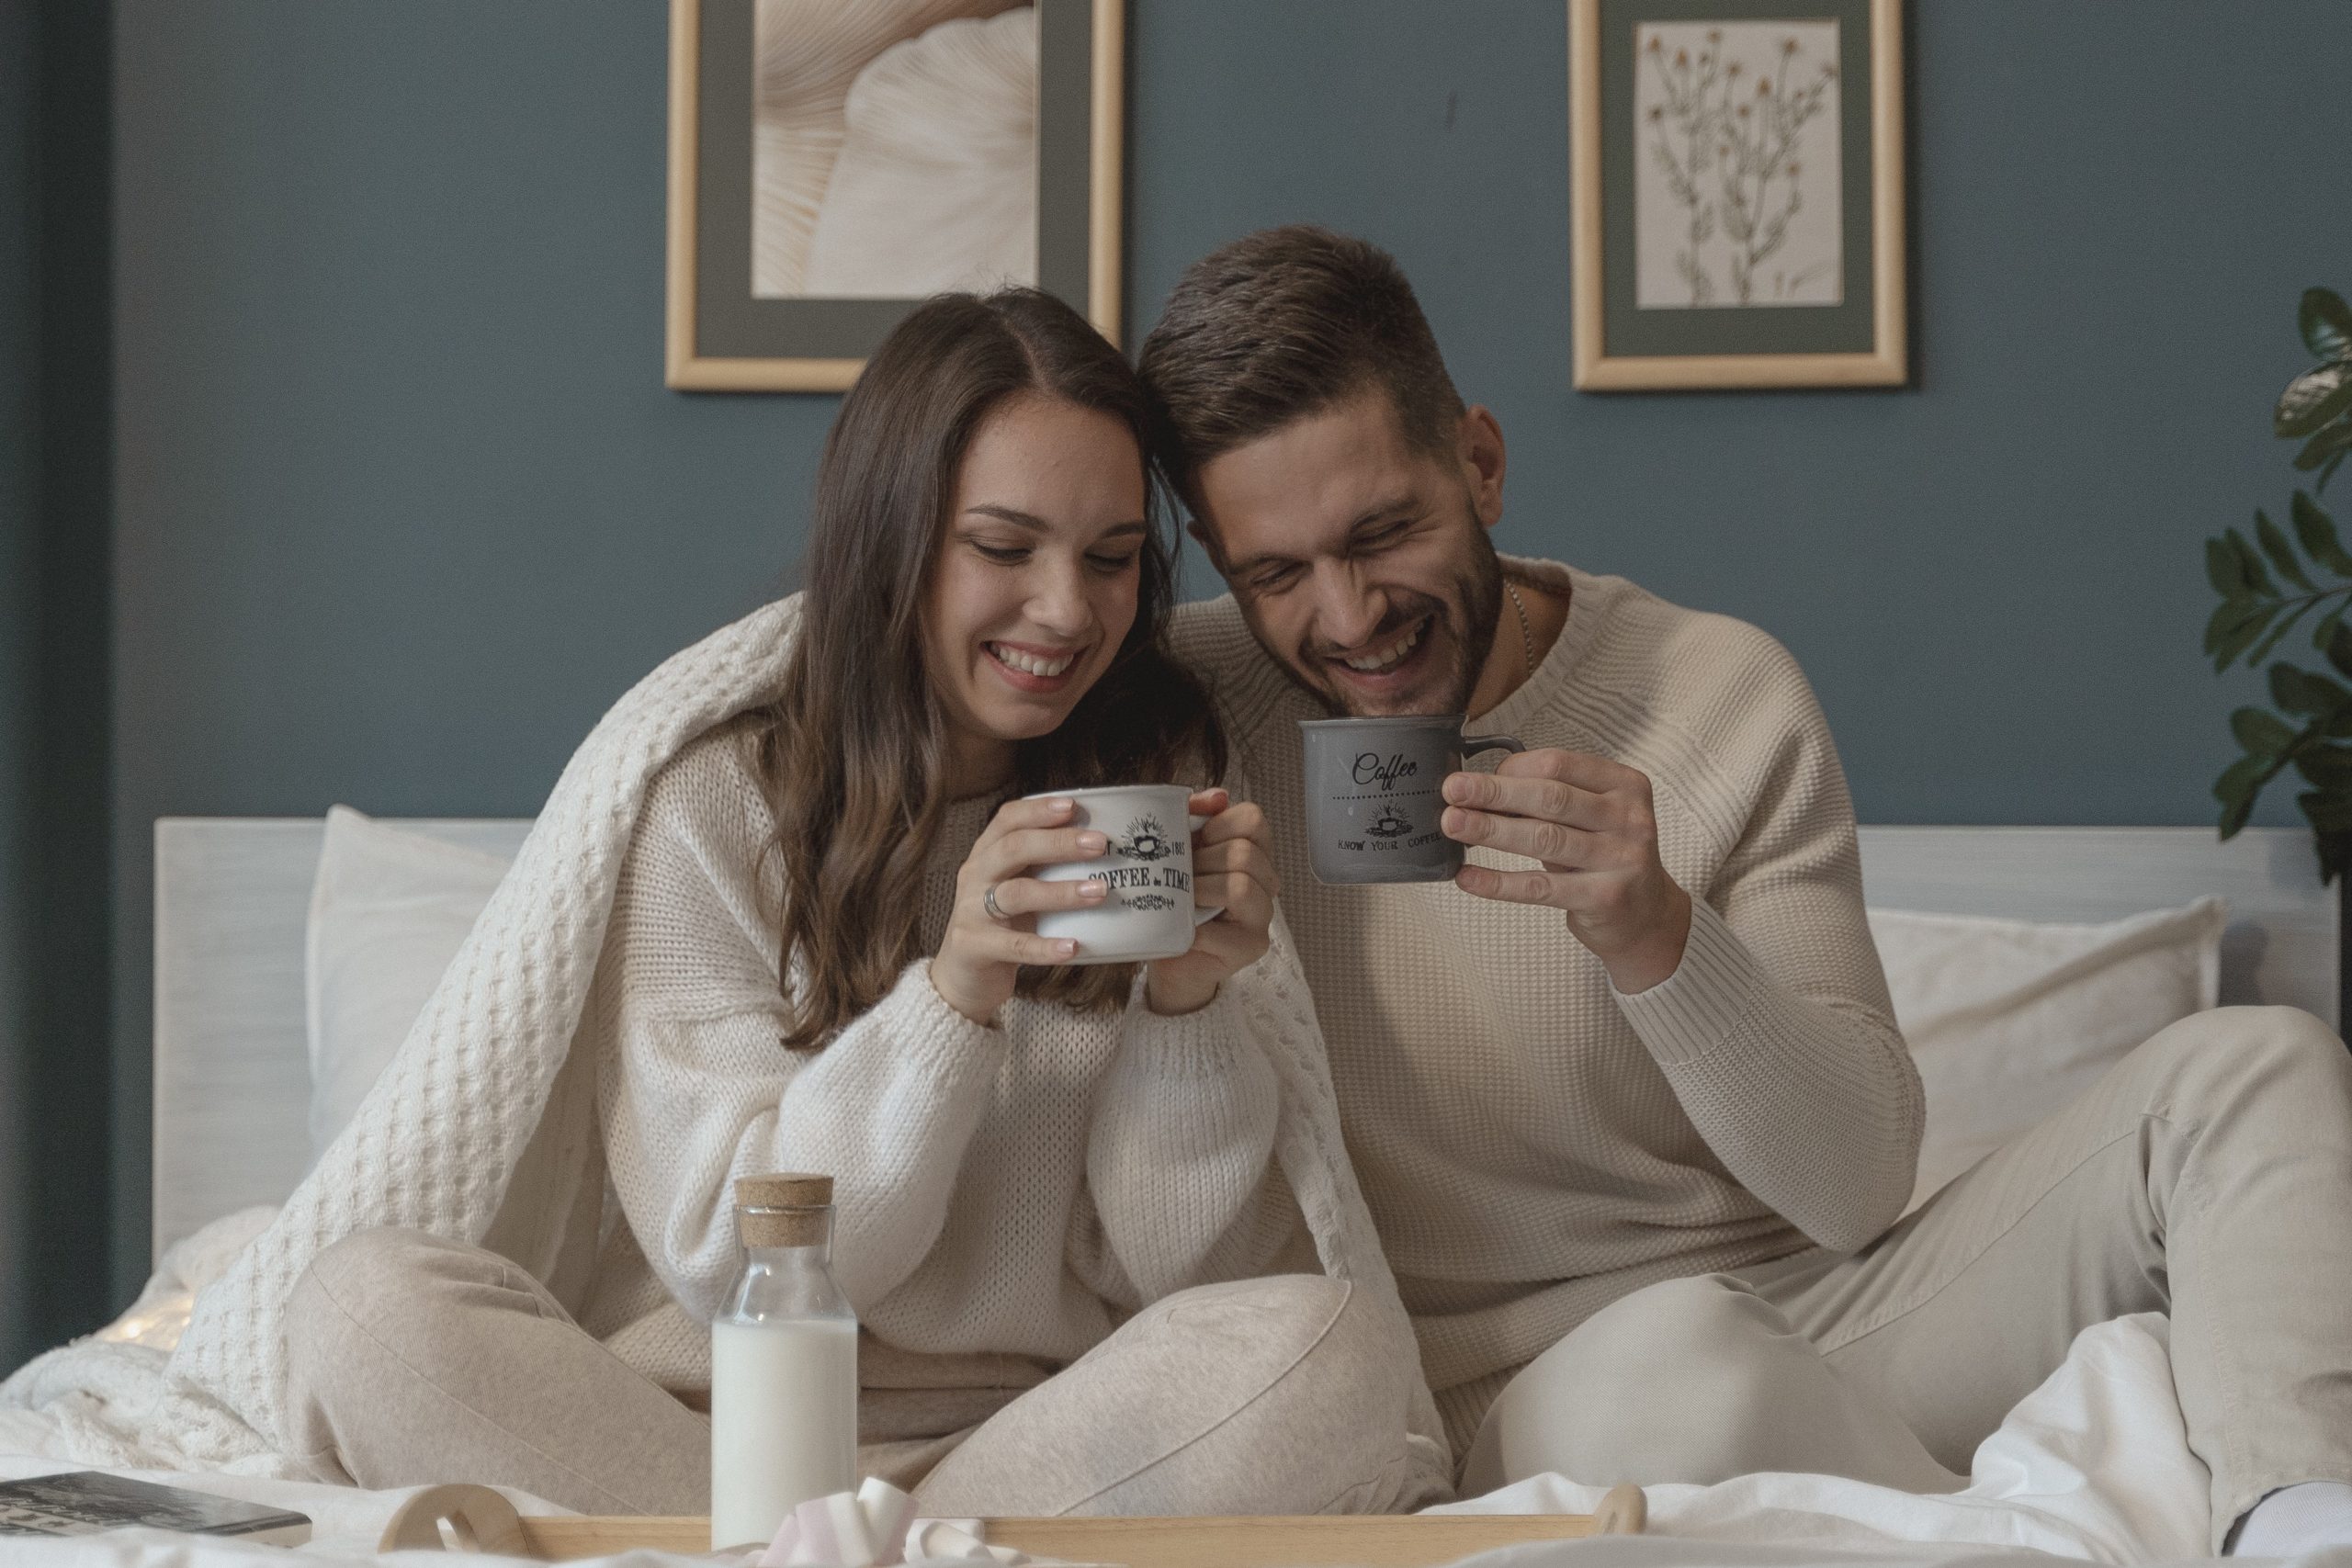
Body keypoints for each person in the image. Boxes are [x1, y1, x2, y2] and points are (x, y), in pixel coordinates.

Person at [1137, 225, 2352, 1556]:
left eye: (1384, 533)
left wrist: (1657, 933)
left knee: (2263, 1070)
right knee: (1675, 1366)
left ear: (1479, 466)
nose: (1350, 615)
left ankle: (2303, 1530)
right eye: (1275, 574)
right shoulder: (1177, 717)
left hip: (1832, 1317)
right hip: (1533, 1399)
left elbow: (1853, 1188)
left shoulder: (1721, 694)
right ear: (1214, 554)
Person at [276, 288, 1447, 1517]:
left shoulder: (1152, 779)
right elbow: (741, 1263)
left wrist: (1192, 1007)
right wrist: (954, 994)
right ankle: (877, 1559)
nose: (1067, 610)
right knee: (362, 1308)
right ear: (894, 541)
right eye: (1004, 548)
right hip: (697, 1443)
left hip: (1027, 1449)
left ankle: (852, 1557)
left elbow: (1176, 1279)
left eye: (1110, 559)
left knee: (1334, 1350)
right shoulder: (717, 808)